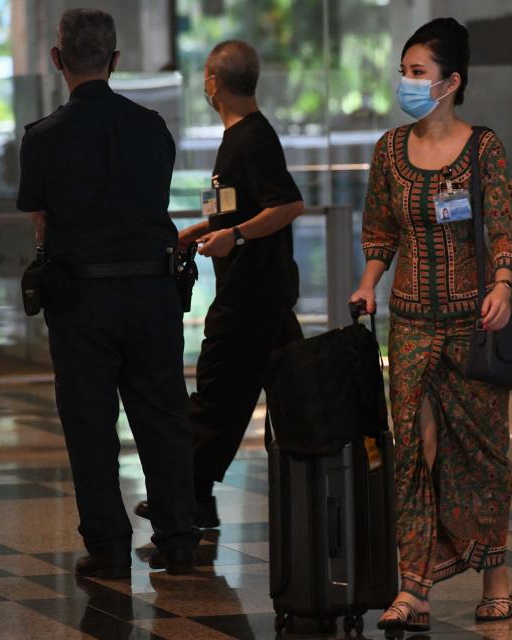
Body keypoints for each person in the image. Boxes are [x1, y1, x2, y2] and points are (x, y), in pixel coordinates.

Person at [349, 17, 512, 632]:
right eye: (403, 70)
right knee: (412, 451)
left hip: (471, 323)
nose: (406, 81)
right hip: (409, 324)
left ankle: (496, 577)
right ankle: (415, 589)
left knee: (481, 455)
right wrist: (369, 281)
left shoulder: (483, 149)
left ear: (450, 82)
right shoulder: (387, 152)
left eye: (418, 72)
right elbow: (380, 229)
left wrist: (503, 285)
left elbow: (508, 227)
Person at [16, 8, 198, 577]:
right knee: (163, 415)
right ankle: (178, 539)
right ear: (116, 61)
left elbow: (41, 220)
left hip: (82, 299)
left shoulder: (42, 138)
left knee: (91, 424)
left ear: (56, 60)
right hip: (153, 292)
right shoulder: (151, 128)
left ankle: (109, 547)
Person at [134, 40, 305, 528]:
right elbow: (236, 207)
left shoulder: (252, 138)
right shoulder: (239, 137)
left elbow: (288, 205)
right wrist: (200, 230)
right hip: (255, 293)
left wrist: (235, 235)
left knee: (215, 396)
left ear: (213, 83)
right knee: (231, 400)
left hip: (251, 295)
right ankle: (194, 493)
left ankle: (184, 495)